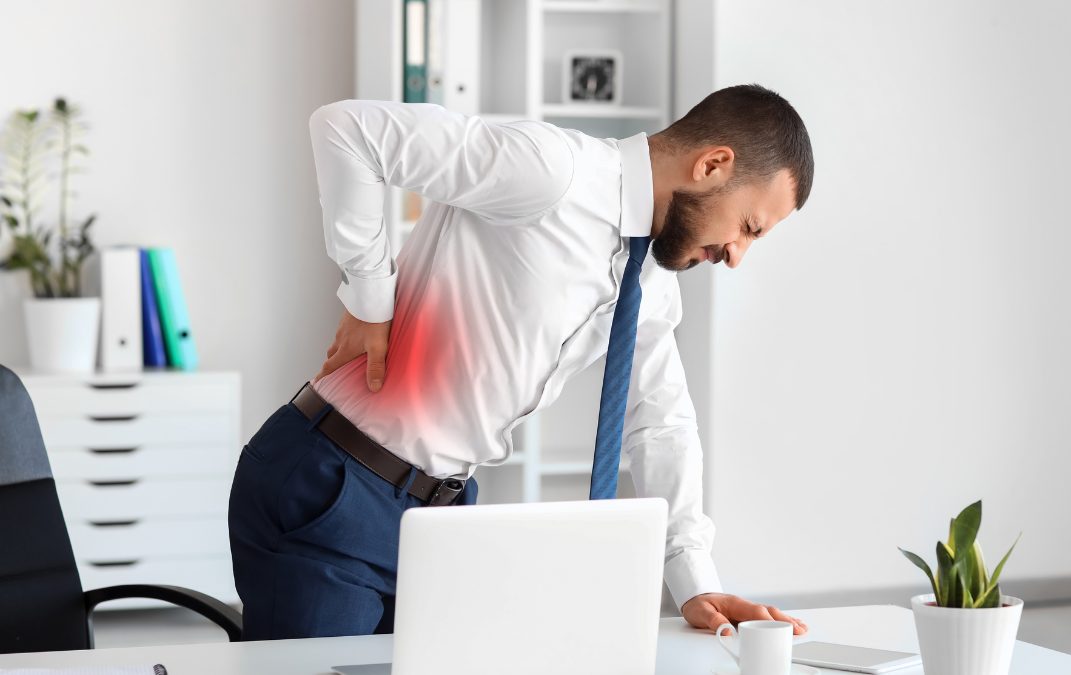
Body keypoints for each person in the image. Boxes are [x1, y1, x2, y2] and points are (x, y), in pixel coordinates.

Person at [228, 83, 815, 641]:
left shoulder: (653, 282)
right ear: (713, 165)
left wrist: (693, 581)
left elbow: (662, 421)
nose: (737, 256)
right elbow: (348, 129)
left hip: (437, 517)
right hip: (337, 482)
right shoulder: (554, 171)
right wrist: (368, 298)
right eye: (748, 227)